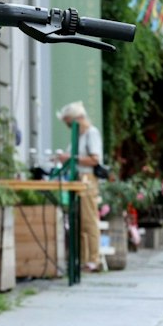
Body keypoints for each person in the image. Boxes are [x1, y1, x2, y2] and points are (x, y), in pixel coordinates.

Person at [54, 102, 105, 272]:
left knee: (89, 219)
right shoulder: (79, 136)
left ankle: (93, 259)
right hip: (77, 177)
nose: (69, 127)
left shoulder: (91, 133)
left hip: (87, 178)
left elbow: (94, 159)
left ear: (79, 119)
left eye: (69, 123)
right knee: (80, 220)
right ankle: (84, 259)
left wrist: (71, 158)